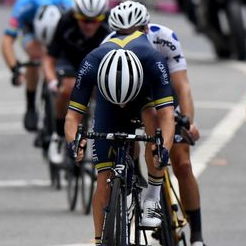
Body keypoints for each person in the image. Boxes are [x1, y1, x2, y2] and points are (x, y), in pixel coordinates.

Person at [105, 0, 206, 246]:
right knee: (128, 138)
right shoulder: (107, 45)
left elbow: (182, 85)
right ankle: (138, 177)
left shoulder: (165, 38)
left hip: (164, 94)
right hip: (130, 98)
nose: (129, 38)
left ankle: (197, 235)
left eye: (136, 32)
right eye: (123, 34)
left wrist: (188, 121)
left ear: (147, 27)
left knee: (181, 162)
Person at [64, 23, 176, 243]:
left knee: (154, 126)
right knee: (103, 178)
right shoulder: (92, 62)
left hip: (143, 95)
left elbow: (167, 117)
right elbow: (72, 117)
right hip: (108, 100)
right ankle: (99, 241)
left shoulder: (153, 60)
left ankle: (152, 198)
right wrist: (73, 143)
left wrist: (162, 148)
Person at [43, 0, 109, 165]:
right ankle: (57, 135)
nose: (89, 25)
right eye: (84, 20)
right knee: (68, 89)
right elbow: (49, 58)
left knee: (105, 93)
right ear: (75, 15)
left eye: (95, 20)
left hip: (98, 61)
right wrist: (51, 82)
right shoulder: (65, 22)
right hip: (69, 61)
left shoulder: (110, 24)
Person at [0, 0, 73, 132]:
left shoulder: (68, 6)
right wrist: (15, 69)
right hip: (31, 28)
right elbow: (7, 41)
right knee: (35, 54)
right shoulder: (24, 5)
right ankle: (31, 106)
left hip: (59, 24)